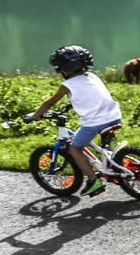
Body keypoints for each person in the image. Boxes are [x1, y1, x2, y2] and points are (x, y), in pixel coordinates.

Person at [25, 45, 122, 198]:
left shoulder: (67, 85)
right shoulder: (92, 76)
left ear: (64, 71)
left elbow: (49, 103)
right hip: (114, 115)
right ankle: (115, 152)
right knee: (104, 138)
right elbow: (90, 95)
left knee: (75, 149)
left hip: (94, 123)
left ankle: (94, 180)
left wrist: (35, 115)